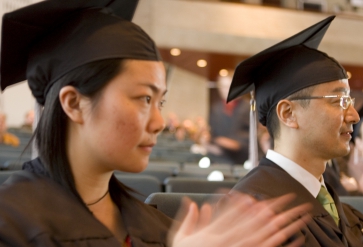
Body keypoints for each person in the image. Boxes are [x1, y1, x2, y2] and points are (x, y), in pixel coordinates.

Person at [0, 1, 311, 246]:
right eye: (143, 99)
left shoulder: (160, 227)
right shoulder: (11, 222)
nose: (159, 122)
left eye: (160, 102)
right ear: (73, 103)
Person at [226, 16, 363, 246]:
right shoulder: (250, 216)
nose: (354, 116)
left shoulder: (340, 210)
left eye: (350, 101)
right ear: (288, 114)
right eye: (338, 101)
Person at [207, 70, 250, 165]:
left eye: (228, 86)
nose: (225, 90)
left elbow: (249, 135)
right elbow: (212, 133)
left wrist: (235, 143)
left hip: (241, 159)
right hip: (219, 158)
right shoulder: (216, 108)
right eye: (222, 86)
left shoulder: (248, 107)